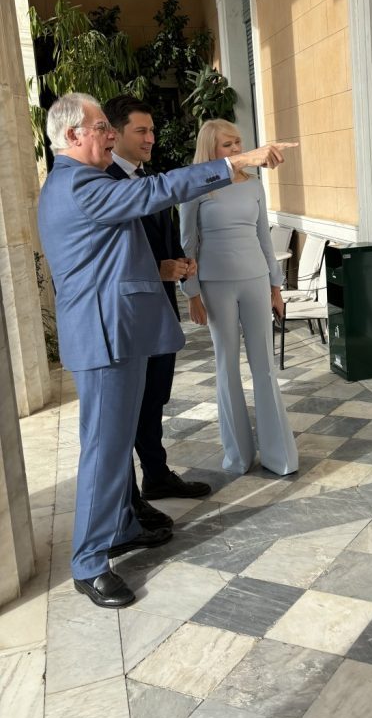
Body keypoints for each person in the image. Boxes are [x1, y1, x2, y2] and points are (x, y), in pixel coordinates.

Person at [38, 93, 293, 608]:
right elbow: (158, 190)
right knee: (104, 452)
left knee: (114, 448)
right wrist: (236, 162)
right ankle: (89, 563)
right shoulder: (78, 183)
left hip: (119, 333)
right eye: (101, 127)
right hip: (106, 338)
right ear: (72, 135)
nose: (110, 134)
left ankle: (122, 527)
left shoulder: (80, 181)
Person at [103, 95, 211, 530]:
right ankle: (128, 502)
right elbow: (110, 259)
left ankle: (157, 475)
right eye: (141, 131)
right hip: (129, 318)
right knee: (130, 407)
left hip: (161, 310)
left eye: (152, 130)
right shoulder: (104, 184)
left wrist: (181, 264)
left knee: (154, 399)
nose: (151, 138)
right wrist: (156, 269)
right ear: (114, 134)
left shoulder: (147, 178)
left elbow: (163, 236)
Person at [180, 120, 298, 477]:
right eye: (227, 145)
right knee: (226, 366)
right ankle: (238, 456)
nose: (236, 150)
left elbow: (264, 239)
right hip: (215, 284)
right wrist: (192, 293)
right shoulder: (195, 187)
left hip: (256, 280)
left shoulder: (255, 186)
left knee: (264, 365)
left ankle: (279, 455)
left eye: (238, 143)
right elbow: (187, 244)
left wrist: (276, 288)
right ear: (210, 149)